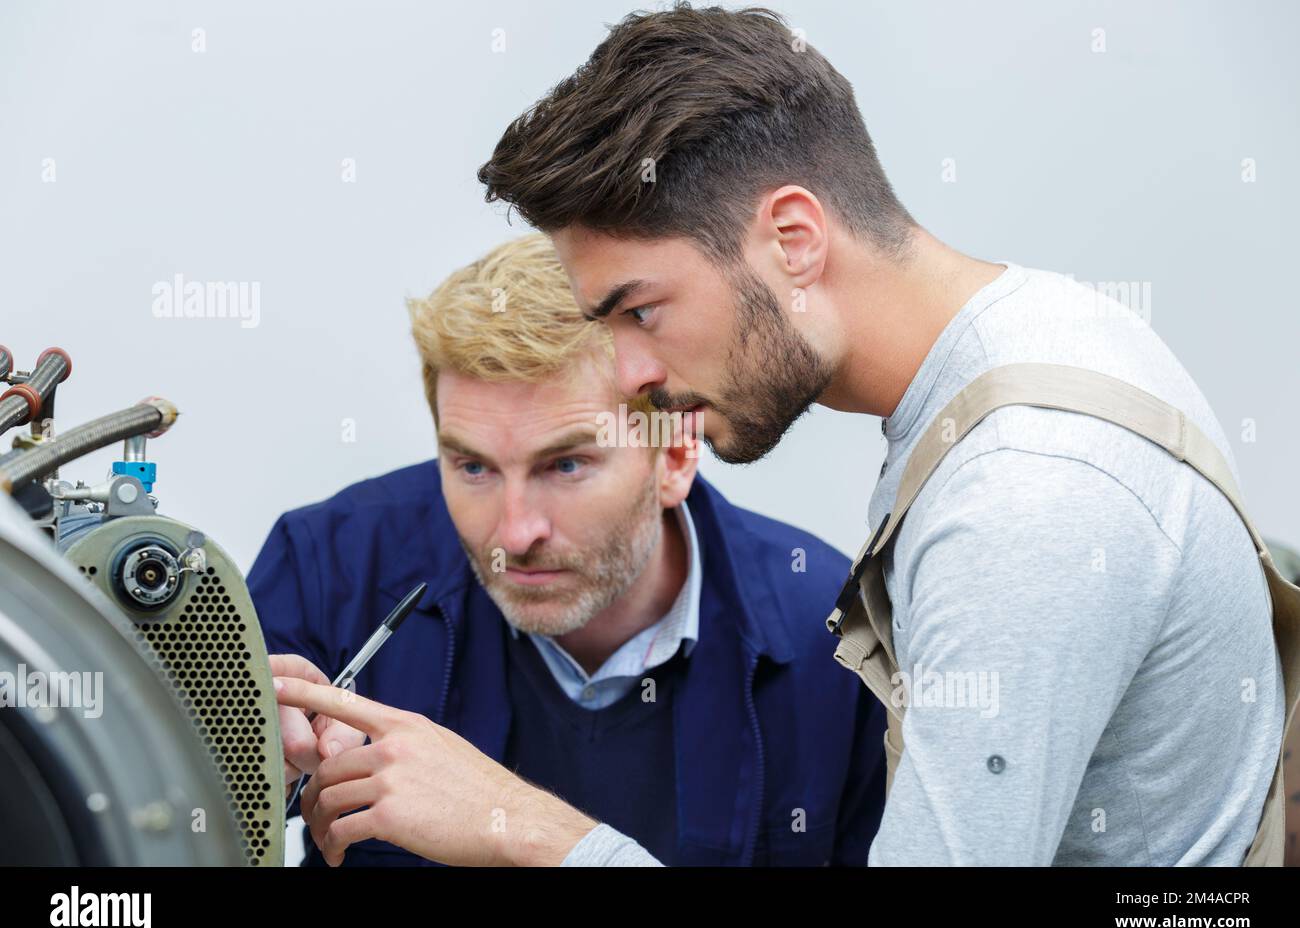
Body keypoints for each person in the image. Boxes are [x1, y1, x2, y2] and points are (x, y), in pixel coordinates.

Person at [276, 3, 1294, 866]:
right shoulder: (1045, 337)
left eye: (639, 310)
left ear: (793, 240)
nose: (631, 373)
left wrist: (536, 832)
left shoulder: (1022, 497)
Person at [254, 233, 887, 866]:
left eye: (565, 465)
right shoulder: (328, 566)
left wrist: (521, 827)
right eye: (473, 467)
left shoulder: (832, 641)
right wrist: (248, 771)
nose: (514, 533)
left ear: (674, 456)